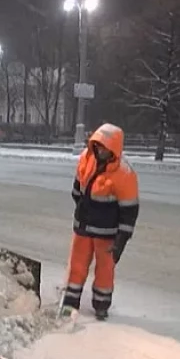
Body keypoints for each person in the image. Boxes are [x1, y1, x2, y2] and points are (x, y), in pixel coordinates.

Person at [63, 123, 139, 320]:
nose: (100, 150)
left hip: (107, 234)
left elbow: (129, 211)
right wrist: (82, 208)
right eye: (98, 145)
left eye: (104, 146)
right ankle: (70, 303)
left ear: (114, 148)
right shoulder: (86, 159)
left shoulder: (124, 174)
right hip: (83, 227)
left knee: (105, 271)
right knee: (76, 266)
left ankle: (101, 305)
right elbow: (77, 189)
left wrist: (121, 239)